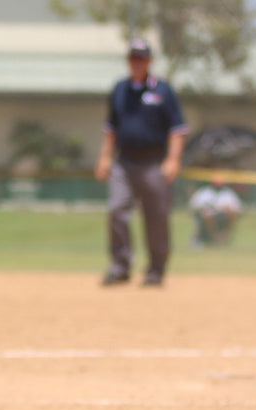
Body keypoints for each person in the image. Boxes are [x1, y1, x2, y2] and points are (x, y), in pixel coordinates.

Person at [94, 39, 187, 287]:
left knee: (156, 216)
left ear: (149, 61)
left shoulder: (163, 90)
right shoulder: (120, 89)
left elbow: (177, 129)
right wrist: (105, 157)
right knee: (117, 209)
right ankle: (120, 266)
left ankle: (156, 270)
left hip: (154, 161)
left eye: (141, 58)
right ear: (128, 61)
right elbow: (111, 128)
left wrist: (173, 159)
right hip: (124, 162)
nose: (137, 63)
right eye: (133, 58)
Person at [189, 172, 243, 247]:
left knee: (232, 214)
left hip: (222, 216)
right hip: (206, 216)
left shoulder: (228, 193)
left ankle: (225, 237)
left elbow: (237, 208)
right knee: (208, 215)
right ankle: (214, 238)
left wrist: (227, 209)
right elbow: (194, 206)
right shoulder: (204, 192)